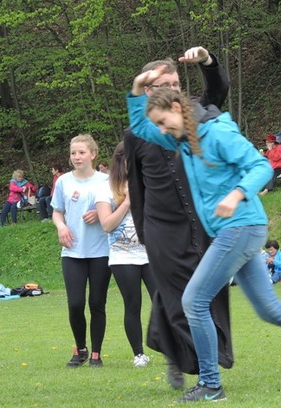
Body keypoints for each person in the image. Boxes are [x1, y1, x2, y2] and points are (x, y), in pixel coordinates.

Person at [127, 67, 281, 400]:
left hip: (240, 226)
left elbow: (261, 167)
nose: (161, 130)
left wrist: (236, 194)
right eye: (159, 125)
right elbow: (139, 127)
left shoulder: (217, 134)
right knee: (270, 309)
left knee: (194, 301)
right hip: (236, 230)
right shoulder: (180, 139)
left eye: (164, 121)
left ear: (179, 110)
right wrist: (137, 89)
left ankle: (211, 384)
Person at [124, 46, 233, 389]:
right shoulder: (137, 133)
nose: (171, 88)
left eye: (175, 81)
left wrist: (207, 61)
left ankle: (178, 352)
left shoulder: (194, 117)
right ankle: (199, 365)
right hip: (161, 228)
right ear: (148, 91)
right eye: (161, 84)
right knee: (174, 297)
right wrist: (143, 231)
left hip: (201, 223)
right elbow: (136, 187)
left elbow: (218, 91)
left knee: (206, 293)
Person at [51, 135, 111, 367]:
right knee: (75, 304)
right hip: (72, 253)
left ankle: (96, 353)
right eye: (73, 153)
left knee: (97, 303)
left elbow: (116, 211)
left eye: (81, 152)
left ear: (93, 155)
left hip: (100, 252)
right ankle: (81, 349)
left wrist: (100, 213)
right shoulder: (64, 181)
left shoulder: (106, 180)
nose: (76, 157)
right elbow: (57, 211)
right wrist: (61, 226)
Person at [95, 143, 156, 367]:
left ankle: (171, 347)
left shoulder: (148, 182)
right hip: (123, 257)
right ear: (123, 158)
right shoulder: (106, 187)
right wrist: (128, 201)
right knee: (133, 304)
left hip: (151, 254)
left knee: (163, 301)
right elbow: (107, 225)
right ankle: (139, 354)